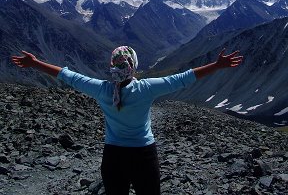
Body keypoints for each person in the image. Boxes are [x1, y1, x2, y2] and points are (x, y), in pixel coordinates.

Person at [11, 46, 243, 195]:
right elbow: (183, 79)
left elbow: (68, 76)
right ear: (133, 65)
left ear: (112, 66)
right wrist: (218, 65)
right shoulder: (146, 89)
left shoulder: (101, 90)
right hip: (144, 155)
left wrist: (34, 63)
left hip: (113, 156)